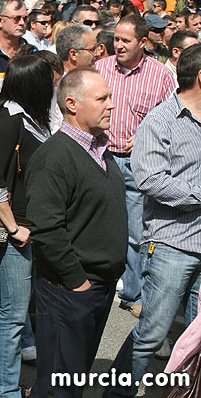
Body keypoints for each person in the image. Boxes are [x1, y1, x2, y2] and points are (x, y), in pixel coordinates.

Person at [106, 44, 201, 397]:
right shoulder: (160, 121)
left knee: (196, 337)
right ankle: (116, 393)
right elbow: (150, 179)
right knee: (151, 335)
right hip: (172, 244)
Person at [26, 67, 127, 398]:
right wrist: (76, 282)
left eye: (110, 97)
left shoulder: (98, 150)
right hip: (70, 289)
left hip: (97, 285)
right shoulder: (55, 156)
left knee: (74, 379)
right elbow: (46, 227)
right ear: (72, 104)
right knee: (60, 384)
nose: (112, 104)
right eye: (102, 98)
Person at [0, 54, 52, 397]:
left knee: (8, 310)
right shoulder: (7, 120)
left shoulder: (33, 118)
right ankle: (7, 390)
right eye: (48, 80)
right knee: (14, 316)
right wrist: (13, 227)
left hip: (28, 227)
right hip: (14, 234)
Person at [95, 14, 176, 320]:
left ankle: (132, 292)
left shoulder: (160, 76)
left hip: (137, 162)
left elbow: (170, 119)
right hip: (101, 156)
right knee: (97, 221)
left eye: (125, 40)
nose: (118, 46)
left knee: (134, 231)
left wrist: (144, 137)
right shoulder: (101, 69)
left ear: (143, 42)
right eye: (116, 39)